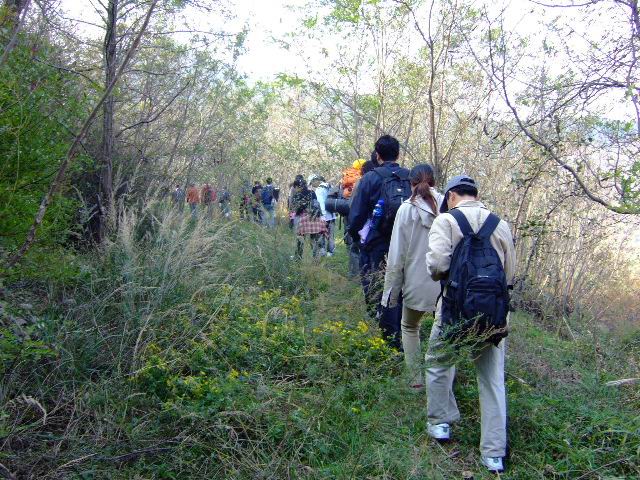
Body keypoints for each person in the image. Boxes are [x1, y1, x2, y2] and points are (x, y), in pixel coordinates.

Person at [425, 175, 516, 474]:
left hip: (454, 309)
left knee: (438, 362)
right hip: (492, 315)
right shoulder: (500, 224)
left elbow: (437, 266)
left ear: (451, 196)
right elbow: (509, 274)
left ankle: (440, 424)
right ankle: (493, 453)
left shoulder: (446, 221)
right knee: (492, 379)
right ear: (475, 195)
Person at [381, 164, 443, 391]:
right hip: (444, 285)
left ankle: (415, 382)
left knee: (409, 326)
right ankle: (441, 383)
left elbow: (396, 255)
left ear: (411, 183)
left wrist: (390, 295)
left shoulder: (406, 209)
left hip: (415, 284)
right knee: (444, 332)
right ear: (434, 181)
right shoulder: (448, 205)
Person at [348, 135, 411, 348]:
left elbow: (356, 214)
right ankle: (402, 331)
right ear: (398, 154)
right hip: (405, 243)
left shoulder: (370, 178)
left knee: (375, 284)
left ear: (377, 155)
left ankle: (386, 334)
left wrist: (355, 236)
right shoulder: (410, 178)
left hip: (376, 243)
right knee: (400, 286)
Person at [291, 177, 325, 259]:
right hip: (314, 219)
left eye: (295, 187)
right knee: (313, 239)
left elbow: (295, 209)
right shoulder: (312, 192)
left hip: (302, 219)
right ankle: (315, 257)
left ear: (298, 186)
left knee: (300, 239)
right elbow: (316, 204)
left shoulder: (297, 195)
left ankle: (298, 257)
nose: (295, 189)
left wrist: (292, 219)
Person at [309, 174, 336, 256]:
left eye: (312, 183)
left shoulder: (319, 190)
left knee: (321, 234)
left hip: (324, 216)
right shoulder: (330, 186)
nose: (312, 185)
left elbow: (321, 203)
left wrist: (322, 216)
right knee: (331, 235)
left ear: (315, 180)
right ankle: (331, 252)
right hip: (332, 215)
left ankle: (323, 251)